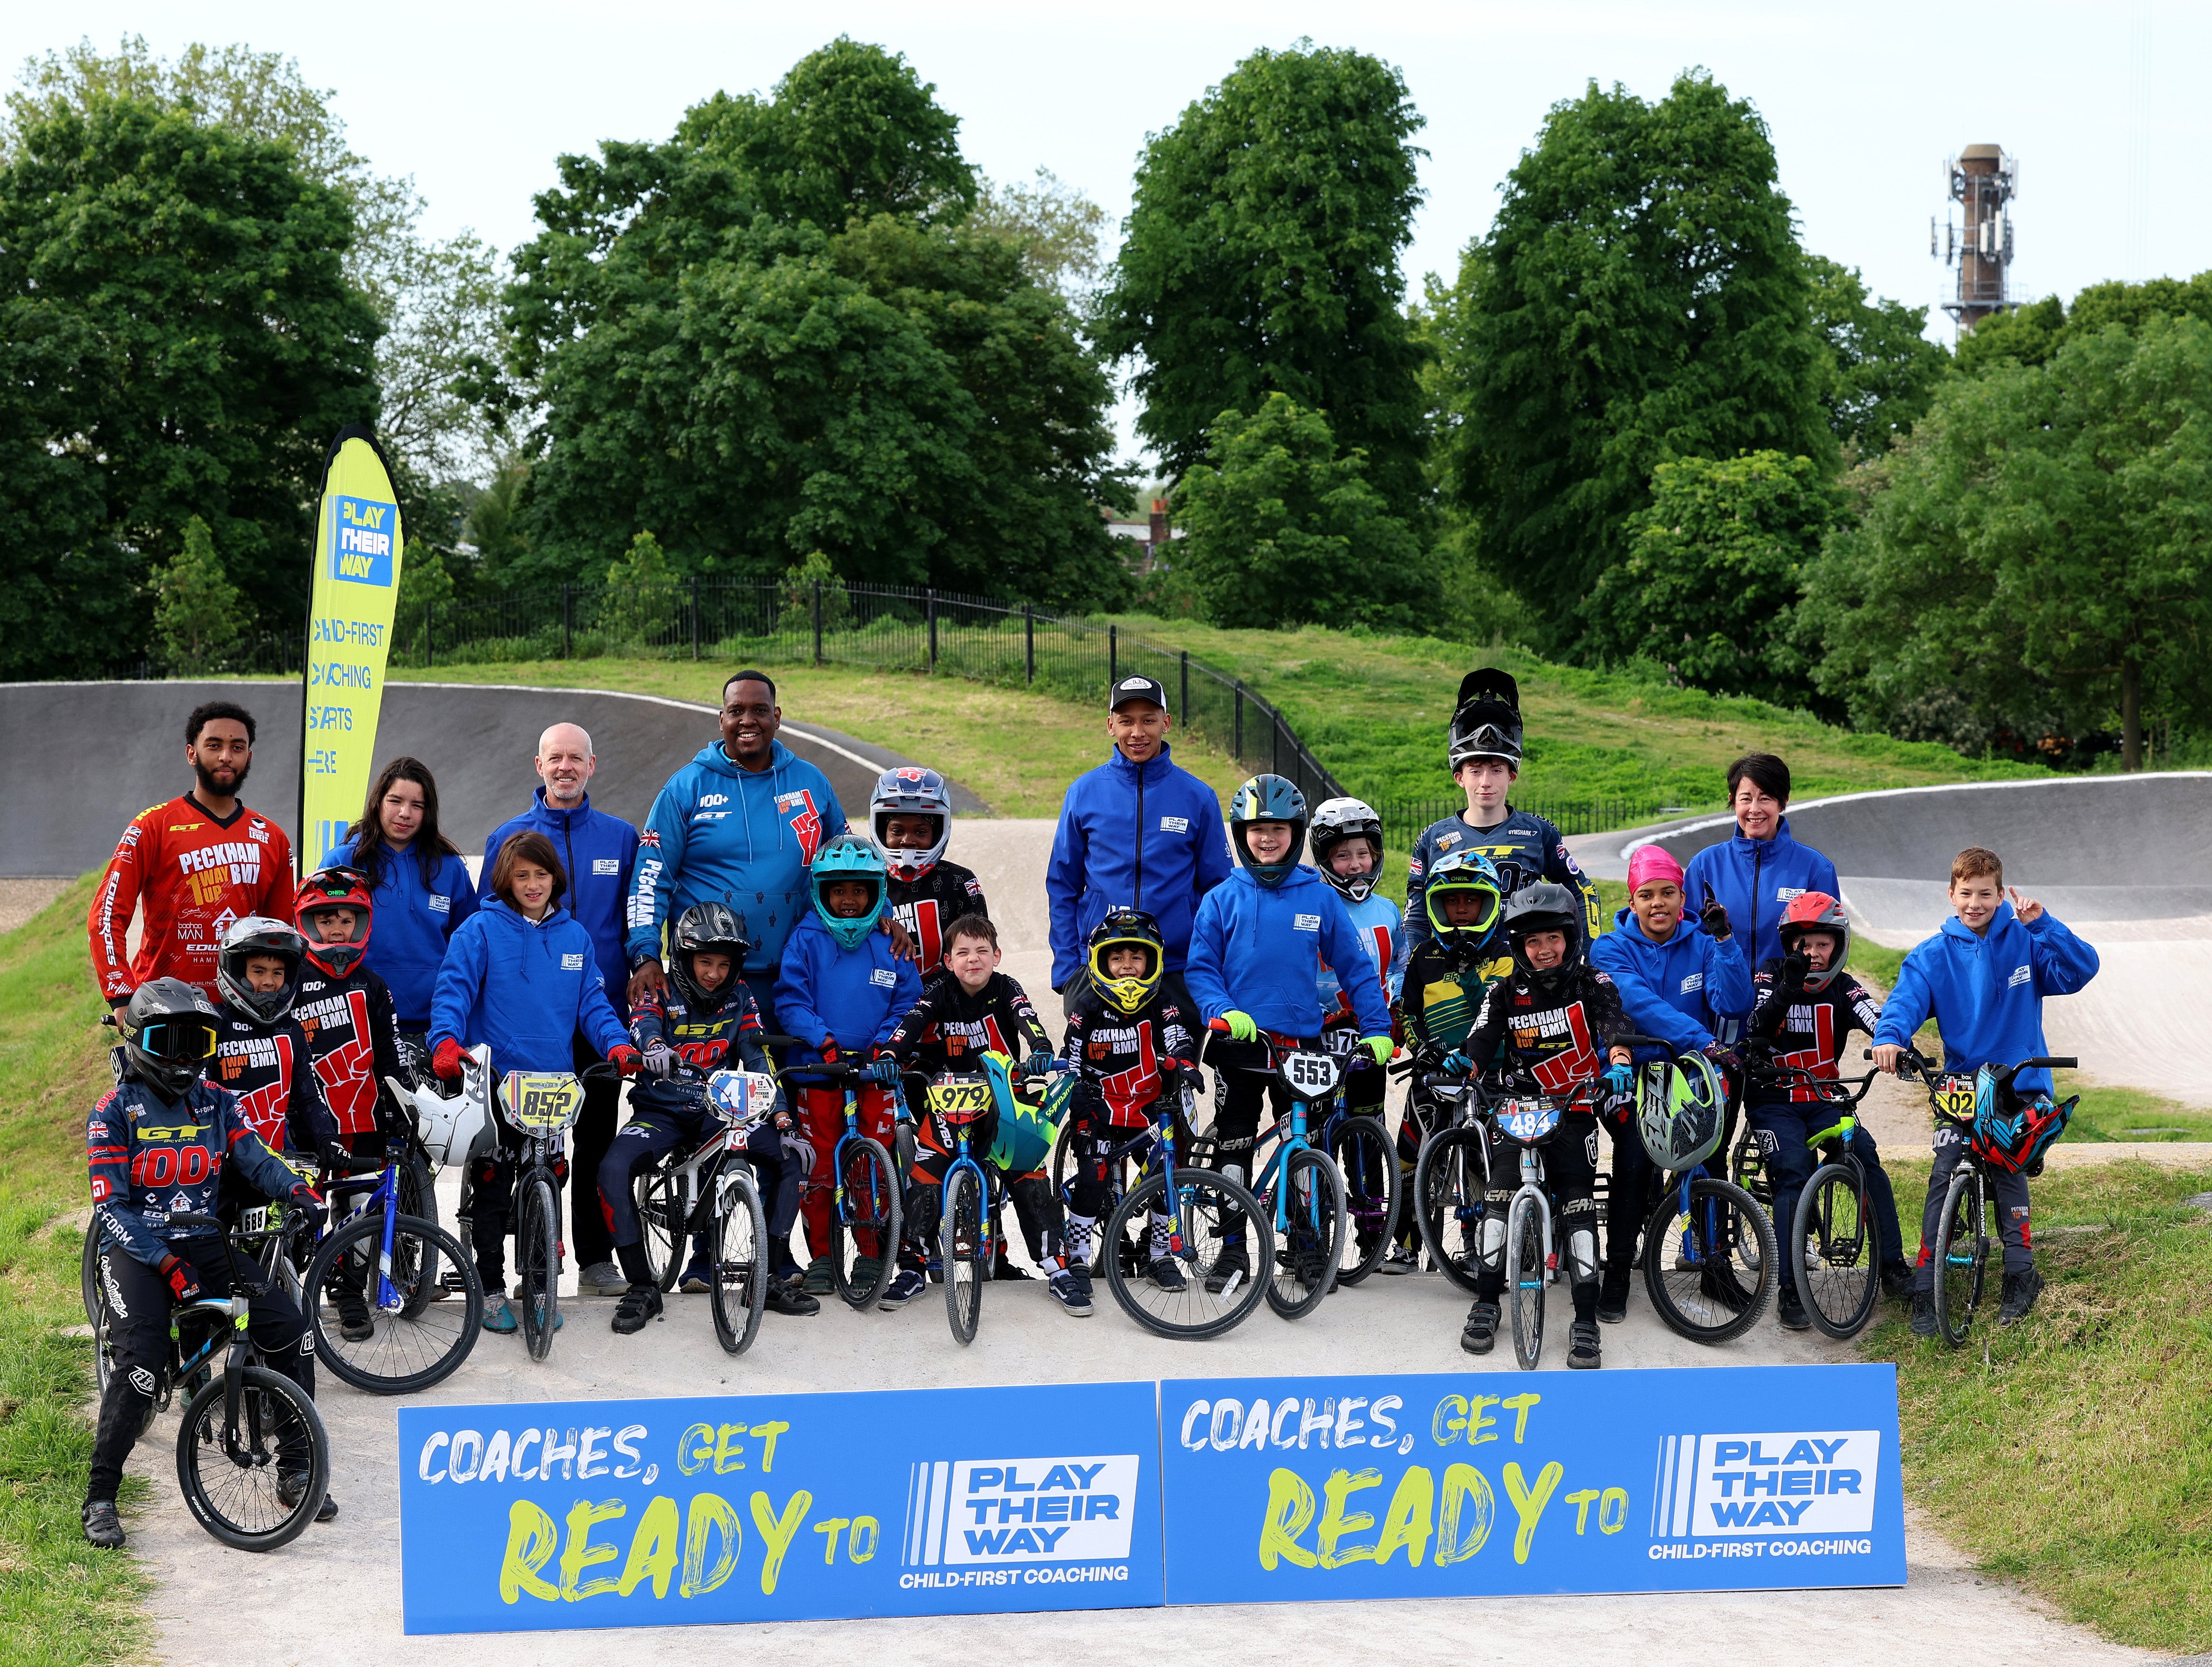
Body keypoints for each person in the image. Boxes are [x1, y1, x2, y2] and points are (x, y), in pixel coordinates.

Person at [83, 979, 331, 1550]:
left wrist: (298, 1191)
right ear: (137, 1038)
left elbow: (256, 1159)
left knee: (290, 1332)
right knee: (142, 1366)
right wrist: (167, 1263)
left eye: (197, 1043)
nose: (184, 1057)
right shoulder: (112, 1110)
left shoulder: (220, 1101)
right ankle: (100, 1495)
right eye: (168, 1041)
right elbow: (112, 1210)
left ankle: (296, 1471)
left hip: (206, 1242)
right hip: (138, 1249)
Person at [1871, 848, 2099, 1333]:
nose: (1975, 902)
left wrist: (2045, 925)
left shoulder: (2026, 941)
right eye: (1966, 893)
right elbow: (1904, 1002)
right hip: (1963, 1088)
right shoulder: (1932, 955)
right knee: (1943, 1169)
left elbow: (2082, 970)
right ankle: (1926, 1283)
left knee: (2007, 1157)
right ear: (1951, 894)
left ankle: (2021, 1274)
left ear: (2001, 894)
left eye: (1986, 894)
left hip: (2018, 1084)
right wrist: (1890, 1038)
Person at [1183, 775, 1393, 1294]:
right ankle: (1232, 1248)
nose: (1268, 839)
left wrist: (1378, 1028)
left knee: (1307, 1143)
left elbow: (1357, 969)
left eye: (1278, 829)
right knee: (1233, 1142)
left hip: (1303, 1043)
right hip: (1240, 1044)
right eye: (1257, 830)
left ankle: (1306, 1240)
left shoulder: (1317, 897)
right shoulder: (1221, 898)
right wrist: (1221, 1009)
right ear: (1241, 834)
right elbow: (1201, 970)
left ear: (1295, 832)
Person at [428, 831, 641, 1333]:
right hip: (494, 1083)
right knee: (493, 1189)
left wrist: (616, 1044)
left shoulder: (576, 938)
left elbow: (593, 1004)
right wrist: (445, 1042)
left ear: (555, 879)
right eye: (521, 875)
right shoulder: (479, 930)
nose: (531, 884)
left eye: (540, 875)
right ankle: (491, 1288)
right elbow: (453, 991)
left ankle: (540, 1284)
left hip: (552, 1088)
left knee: (547, 1184)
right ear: (505, 878)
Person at [600, 902, 818, 1330]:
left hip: (717, 1113)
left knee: (791, 1158)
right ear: (684, 957)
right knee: (612, 1169)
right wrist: (654, 1048)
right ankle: (642, 1287)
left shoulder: (741, 996)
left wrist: (783, 1122)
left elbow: (759, 1061)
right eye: (705, 962)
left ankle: (771, 1278)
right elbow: (642, 1024)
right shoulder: (656, 985)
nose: (715, 974)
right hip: (659, 1112)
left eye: (723, 964)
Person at [484, 723, 640, 1298]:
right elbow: (487, 929)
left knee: (595, 1140)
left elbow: (639, 918)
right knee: (524, 1148)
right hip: (529, 1026)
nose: (566, 767)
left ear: (593, 766)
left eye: (576, 758)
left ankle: (596, 1261)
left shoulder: (622, 838)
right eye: (556, 758)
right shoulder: (510, 836)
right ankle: (529, 1265)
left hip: (599, 1018)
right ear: (539, 764)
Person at [1458, 883, 1635, 1368]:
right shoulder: (1504, 991)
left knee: (1579, 1208)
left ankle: (1585, 1321)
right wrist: (1462, 1067)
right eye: (1533, 941)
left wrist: (1618, 1061)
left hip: (1575, 1108)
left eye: (1553, 938)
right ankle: (1487, 1304)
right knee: (1497, 1199)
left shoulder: (1594, 983)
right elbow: (1480, 1041)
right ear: (1519, 945)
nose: (1543, 950)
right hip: (1518, 1107)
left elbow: (1614, 1027)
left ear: (1570, 937)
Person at [628, 672, 850, 1039]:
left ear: (776, 717)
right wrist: (646, 955)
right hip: (706, 982)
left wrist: (884, 916)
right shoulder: (687, 786)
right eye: (737, 711)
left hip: (795, 977)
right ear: (722, 720)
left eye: (760, 710)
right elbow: (650, 880)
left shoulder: (812, 782)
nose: (748, 720)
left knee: (789, 1089)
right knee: (700, 1093)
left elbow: (849, 866)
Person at [1586, 844, 1752, 1323]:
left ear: (1683, 897)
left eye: (1668, 893)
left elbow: (1734, 1003)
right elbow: (1638, 1005)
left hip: (1688, 1072)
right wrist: (1702, 1041)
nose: (1658, 903)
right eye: (1647, 895)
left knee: (1712, 1160)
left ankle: (1715, 1271)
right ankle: (1618, 1272)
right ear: (1631, 900)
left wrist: (1724, 941)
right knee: (1636, 1160)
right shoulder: (1610, 949)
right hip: (1632, 1072)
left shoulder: (1701, 942)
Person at [877, 914, 1072, 1311]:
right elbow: (911, 1024)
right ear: (948, 961)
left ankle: (1059, 1270)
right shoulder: (938, 991)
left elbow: (1029, 1022)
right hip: (949, 1104)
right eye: (963, 952)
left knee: (1028, 1174)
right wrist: (888, 1055)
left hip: (1005, 1098)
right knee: (925, 1176)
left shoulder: (1008, 988)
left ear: (997, 956)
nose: (973, 960)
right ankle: (912, 1270)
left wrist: (1039, 1053)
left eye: (983, 951)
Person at [1742, 892, 1911, 1329]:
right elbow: (1756, 1025)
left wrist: (1896, 1044)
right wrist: (1788, 988)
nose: (1813, 954)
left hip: (1823, 1097)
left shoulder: (1843, 984)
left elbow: (1876, 1014)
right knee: (1793, 1169)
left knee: (1866, 1158)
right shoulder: (1770, 975)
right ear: (1789, 945)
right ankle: (1790, 1288)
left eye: (1822, 944)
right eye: (1804, 944)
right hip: (1773, 1096)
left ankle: (1893, 1264)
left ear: (1838, 944)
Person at [775, 834, 923, 1297]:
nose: (849, 899)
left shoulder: (890, 944)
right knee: (818, 1168)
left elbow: (907, 1002)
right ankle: (822, 1256)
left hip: (875, 1076)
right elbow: (791, 1000)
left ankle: (871, 1253)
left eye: (859, 890)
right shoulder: (806, 937)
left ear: (877, 893)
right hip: (820, 1074)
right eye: (838, 890)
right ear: (821, 891)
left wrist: (885, 1048)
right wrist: (825, 1042)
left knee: (872, 1169)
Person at [89, 699, 294, 1010]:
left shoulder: (273, 838)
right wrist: (121, 994)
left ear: (249, 757)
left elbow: (282, 932)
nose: (226, 756)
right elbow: (106, 915)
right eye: (214, 745)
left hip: (247, 1012)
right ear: (191, 754)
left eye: (237, 747)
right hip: (164, 1008)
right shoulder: (152, 826)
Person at [1046, 674, 1232, 1000]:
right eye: (1126, 721)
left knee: (1178, 1054)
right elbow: (1063, 885)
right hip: (1100, 967)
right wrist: (1068, 969)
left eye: (1149, 720)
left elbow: (1220, 891)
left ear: (1166, 722)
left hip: (1177, 971)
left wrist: (1208, 966)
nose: (1137, 732)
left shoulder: (1199, 797)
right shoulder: (1083, 793)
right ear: (1110, 725)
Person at [1402, 669, 1600, 955]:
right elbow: (1417, 918)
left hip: (1526, 972)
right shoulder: (1433, 838)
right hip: (1457, 974)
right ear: (1459, 777)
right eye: (1476, 771)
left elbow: (1582, 890)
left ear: (1512, 776)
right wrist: (1418, 969)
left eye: (1497, 770)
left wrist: (1586, 953)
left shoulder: (1539, 832)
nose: (1486, 782)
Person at [1056, 908, 1200, 1300]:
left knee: (1164, 1174)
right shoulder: (1085, 1005)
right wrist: (1075, 1093)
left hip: (1148, 1107)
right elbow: (1069, 1056)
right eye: (1117, 958)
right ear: (1101, 961)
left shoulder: (1163, 999)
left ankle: (1159, 1255)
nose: (1127, 967)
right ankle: (1079, 1256)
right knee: (1092, 1177)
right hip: (1099, 1107)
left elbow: (1176, 1037)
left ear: (1152, 960)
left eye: (1137, 957)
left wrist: (1186, 1064)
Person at [1388, 849, 1508, 1272]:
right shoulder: (1423, 956)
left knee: (1485, 1161)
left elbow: (1502, 1011)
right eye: (1451, 901)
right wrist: (1422, 1049)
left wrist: (1472, 971)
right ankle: (1405, 1246)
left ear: (1490, 903)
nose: (1461, 908)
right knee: (1408, 1153)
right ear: (1436, 905)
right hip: (1434, 1073)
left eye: (1471, 900)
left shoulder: (1507, 955)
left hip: (1490, 1076)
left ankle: (1478, 1247)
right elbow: (1409, 1013)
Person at [331, 757, 479, 1052]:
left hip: (435, 1029)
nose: (404, 814)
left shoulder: (449, 868)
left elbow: (469, 949)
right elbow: (316, 946)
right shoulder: (343, 863)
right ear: (378, 802)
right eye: (395, 801)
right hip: (360, 1027)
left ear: (428, 812)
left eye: (417, 806)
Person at [209, 917, 343, 1212]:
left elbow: (309, 1097)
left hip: (278, 1163)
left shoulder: (292, 1030)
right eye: (258, 971)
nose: (269, 981)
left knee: (296, 1247)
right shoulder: (214, 1027)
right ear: (235, 971)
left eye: (278, 972)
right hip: (222, 1168)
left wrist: (328, 1138)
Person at [1683, 753, 1841, 977]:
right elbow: (1688, 943)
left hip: (1790, 1003)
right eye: (1746, 799)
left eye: (1765, 798)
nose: (1754, 809)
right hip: (1721, 1003)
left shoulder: (1816, 869)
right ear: (1733, 800)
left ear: (1783, 802)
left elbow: (1831, 946)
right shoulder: (1704, 866)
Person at [873, 766, 988, 970]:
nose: (908, 841)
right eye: (897, 831)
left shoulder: (959, 881)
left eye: (921, 832)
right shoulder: (868, 881)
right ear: (882, 831)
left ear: (937, 833)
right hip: (882, 997)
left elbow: (978, 956)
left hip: (946, 1000)